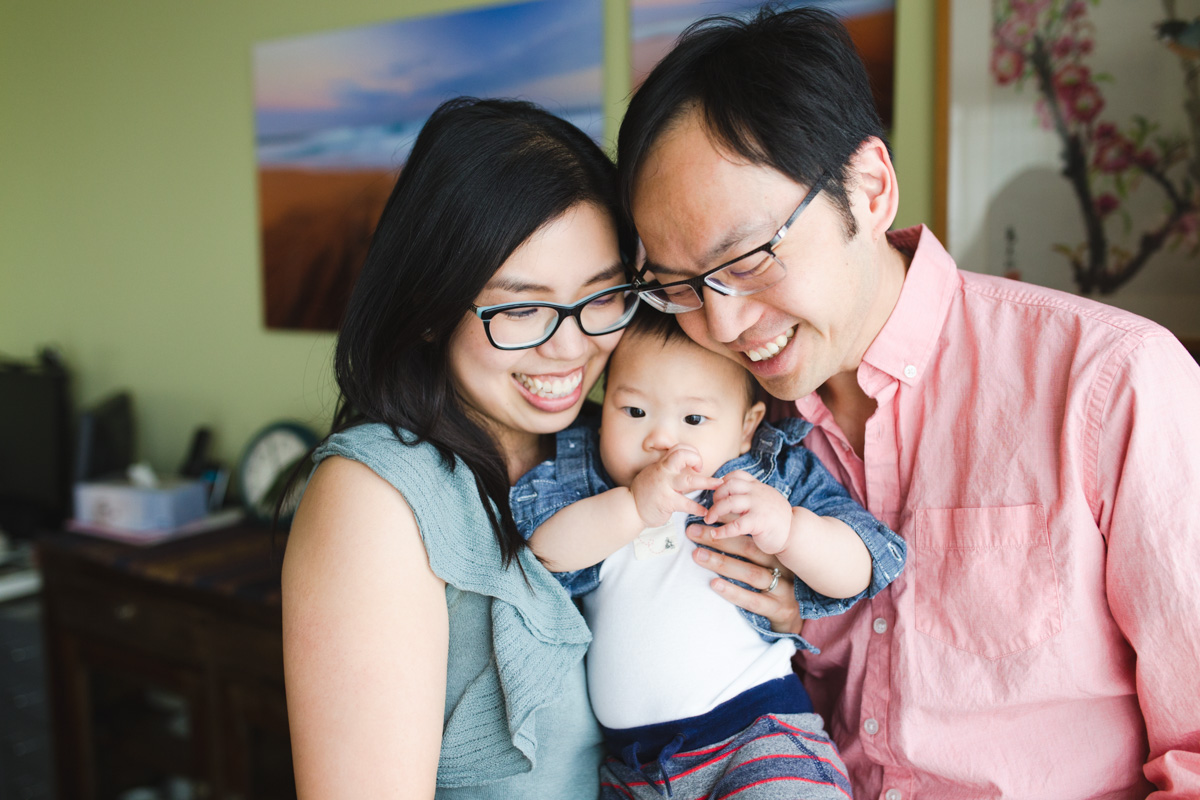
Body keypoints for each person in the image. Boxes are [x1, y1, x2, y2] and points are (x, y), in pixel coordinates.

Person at [616, 7, 1200, 800]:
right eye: (679, 287)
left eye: (748, 259)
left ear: (871, 188)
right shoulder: (725, 423)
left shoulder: (1112, 383)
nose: (721, 325)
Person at [280, 97, 801, 800]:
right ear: (431, 308)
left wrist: (769, 598)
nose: (571, 345)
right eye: (520, 307)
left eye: (602, 296)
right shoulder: (375, 500)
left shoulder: (614, 445)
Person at [512, 308, 905, 799]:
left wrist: (789, 531)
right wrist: (633, 506)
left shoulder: (763, 483)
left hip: (757, 736)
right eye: (633, 411)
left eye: (694, 418)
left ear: (747, 427)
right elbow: (545, 551)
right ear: (603, 405)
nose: (660, 439)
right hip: (636, 769)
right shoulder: (593, 492)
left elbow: (863, 564)